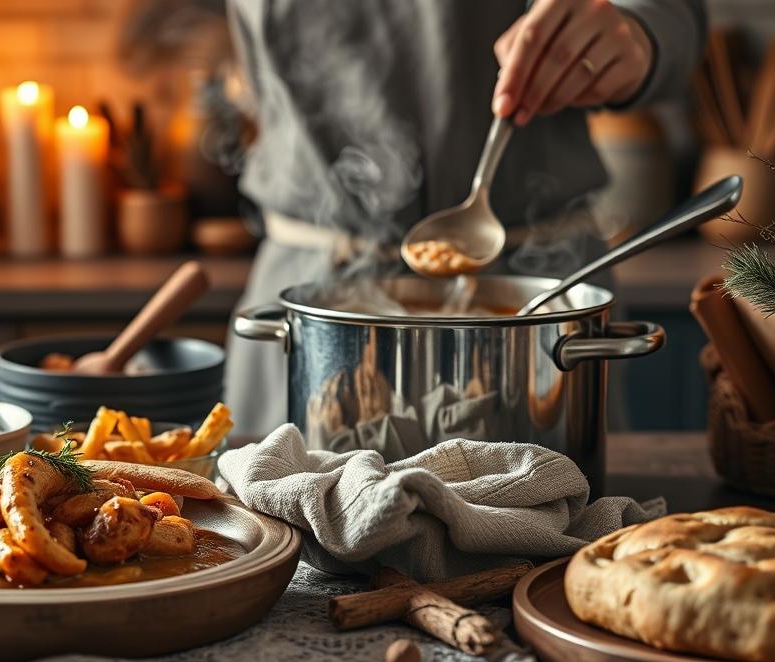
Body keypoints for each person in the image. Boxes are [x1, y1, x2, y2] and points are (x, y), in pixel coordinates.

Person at [224, 0, 706, 434]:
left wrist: (635, 34)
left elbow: (672, 18)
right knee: (281, 518)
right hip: (313, 300)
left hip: (537, 302)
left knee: (554, 517)